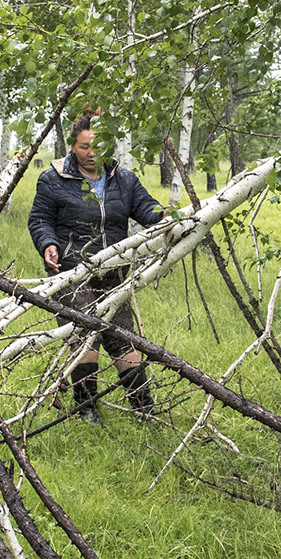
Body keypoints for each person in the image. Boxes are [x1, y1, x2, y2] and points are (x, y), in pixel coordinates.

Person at [26, 111, 168, 424]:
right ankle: (86, 408)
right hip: (71, 269)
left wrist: (167, 217)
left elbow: (146, 209)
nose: (92, 154)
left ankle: (143, 409)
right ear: (72, 147)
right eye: (85, 147)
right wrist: (47, 243)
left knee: (122, 336)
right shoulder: (53, 179)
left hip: (114, 271)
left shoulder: (124, 178)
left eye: (98, 147)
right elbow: (39, 219)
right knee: (86, 331)